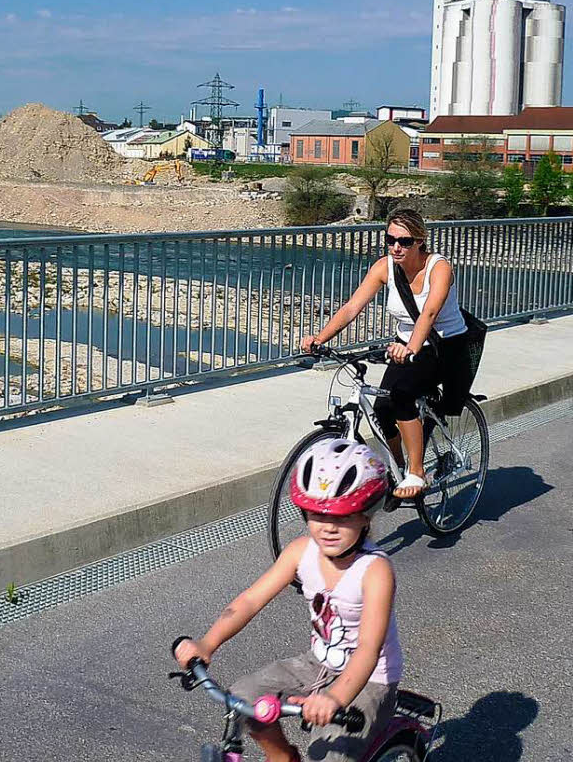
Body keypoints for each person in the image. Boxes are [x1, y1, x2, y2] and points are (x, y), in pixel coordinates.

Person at [174, 439, 403, 762]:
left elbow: (368, 649)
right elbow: (250, 600)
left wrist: (335, 698)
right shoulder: (300, 551)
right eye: (316, 515)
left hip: (370, 679)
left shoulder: (375, 571)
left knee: (328, 753)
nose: (327, 528)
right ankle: (283, 757)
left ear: (366, 516)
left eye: (342, 516)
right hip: (317, 663)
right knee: (244, 696)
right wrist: (207, 644)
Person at [301, 208, 468, 499]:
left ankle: (417, 472)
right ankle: (398, 468)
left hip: (445, 345)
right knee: (380, 409)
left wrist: (411, 349)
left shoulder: (439, 268)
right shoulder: (384, 266)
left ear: (420, 241)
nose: (395, 247)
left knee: (402, 395)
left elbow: (429, 313)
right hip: (406, 343)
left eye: (403, 241)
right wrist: (320, 337)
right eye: (390, 239)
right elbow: (352, 307)